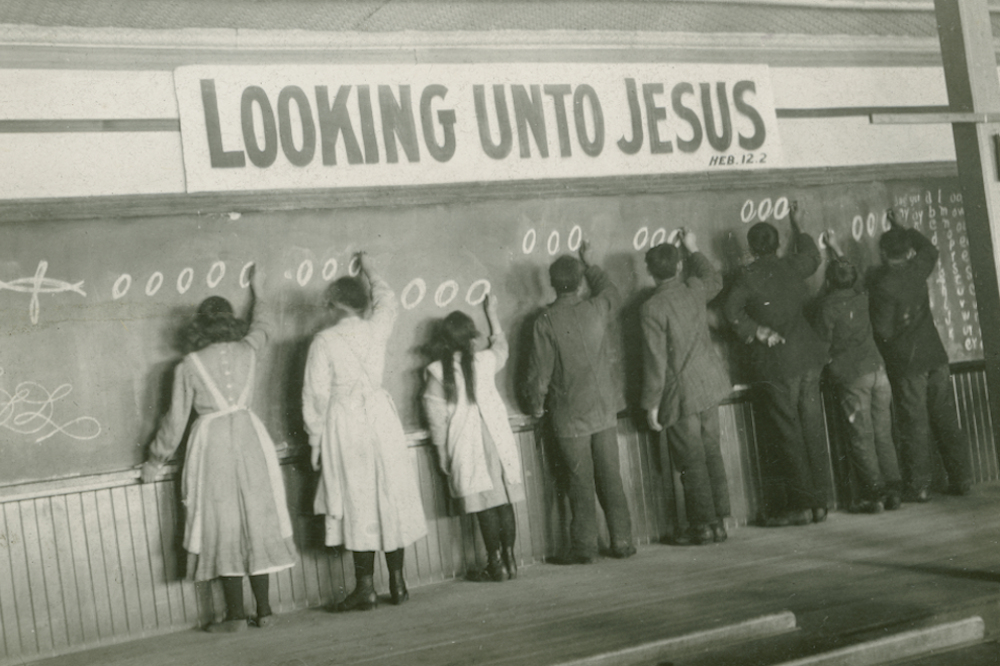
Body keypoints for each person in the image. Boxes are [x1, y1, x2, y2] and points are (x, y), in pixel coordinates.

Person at [140, 266, 296, 633]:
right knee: (257, 519)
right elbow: (265, 325)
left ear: (199, 326)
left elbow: (174, 423)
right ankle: (266, 610)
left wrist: (154, 460)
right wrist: (258, 292)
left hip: (211, 446)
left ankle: (235, 617)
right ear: (230, 322)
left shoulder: (188, 366)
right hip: (251, 437)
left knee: (222, 524)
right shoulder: (249, 348)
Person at [302, 252, 427, 611]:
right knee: (388, 496)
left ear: (334, 305)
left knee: (359, 501)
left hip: (345, 423)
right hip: (381, 418)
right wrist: (370, 269)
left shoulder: (324, 342)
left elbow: (315, 395)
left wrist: (314, 440)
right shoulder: (377, 326)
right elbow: (388, 298)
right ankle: (399, 583)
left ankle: (366, 588)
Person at [723, 202, 832, 527]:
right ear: (778, 244)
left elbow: (730, 312)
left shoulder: (748, 276)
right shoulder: (791, 265)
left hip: (778, 364)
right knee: (811, 426)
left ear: (751, 248)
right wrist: (798, 225)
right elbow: (814, 257)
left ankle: (802, 505)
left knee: (788, 433)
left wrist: (756, 331)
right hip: (809, 359)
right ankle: (821, 502)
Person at [525, 240, 635, 563]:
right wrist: (591, 264)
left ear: (551, 283)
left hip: (570, 416)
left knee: (580, 482)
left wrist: (534, 406)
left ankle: (584, 548)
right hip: (604, 410)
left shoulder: (545, 322)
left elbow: (539, 375)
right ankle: (623, 541)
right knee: (611, 478)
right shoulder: (596, 307)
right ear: (580, 281)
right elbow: (612, 292)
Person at [422, 294, 524, 582]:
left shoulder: (437, 371)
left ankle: (496, 564)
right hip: (496, 439)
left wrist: (442, 453)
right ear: (471, 338)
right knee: (503, 501)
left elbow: (436, 418)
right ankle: (510, 560)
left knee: (483, 505)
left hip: (467, 445)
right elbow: (501, 346)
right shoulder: (485, 360)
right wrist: (492, 313)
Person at [869, 210, 970, 502]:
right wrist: (903, 227)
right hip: (935, 355)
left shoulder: (884, 284)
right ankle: (961, 478)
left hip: (908, 362)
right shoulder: (917, 268)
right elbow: (931, 249)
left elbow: (883, 330)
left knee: (914, 422)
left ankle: (920, 486)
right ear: (906, 251)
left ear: (884, 253)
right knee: (945, 416)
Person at [641, 230, 732, 545]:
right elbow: (713, 279)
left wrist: (651, 405)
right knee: (711, 452)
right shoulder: (694, 288)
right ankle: (719, 521)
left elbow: (655, 362)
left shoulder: (651, 308)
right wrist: (694, 248)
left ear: (650, 272)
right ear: (679, 267)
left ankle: (702, 526)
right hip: (709, 383)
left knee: (691, 460)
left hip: (680, 393)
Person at [816, 229, 902, 513]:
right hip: (879, 371)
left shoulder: (827, 306)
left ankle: (873, 495)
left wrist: (826, 364)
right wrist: (837, 248)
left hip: (853, 376)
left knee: (860, 435)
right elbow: (851, 275)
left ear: (828, 281)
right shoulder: (861, 295)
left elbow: (822, 346)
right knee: (882, 432)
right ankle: (893, 490)